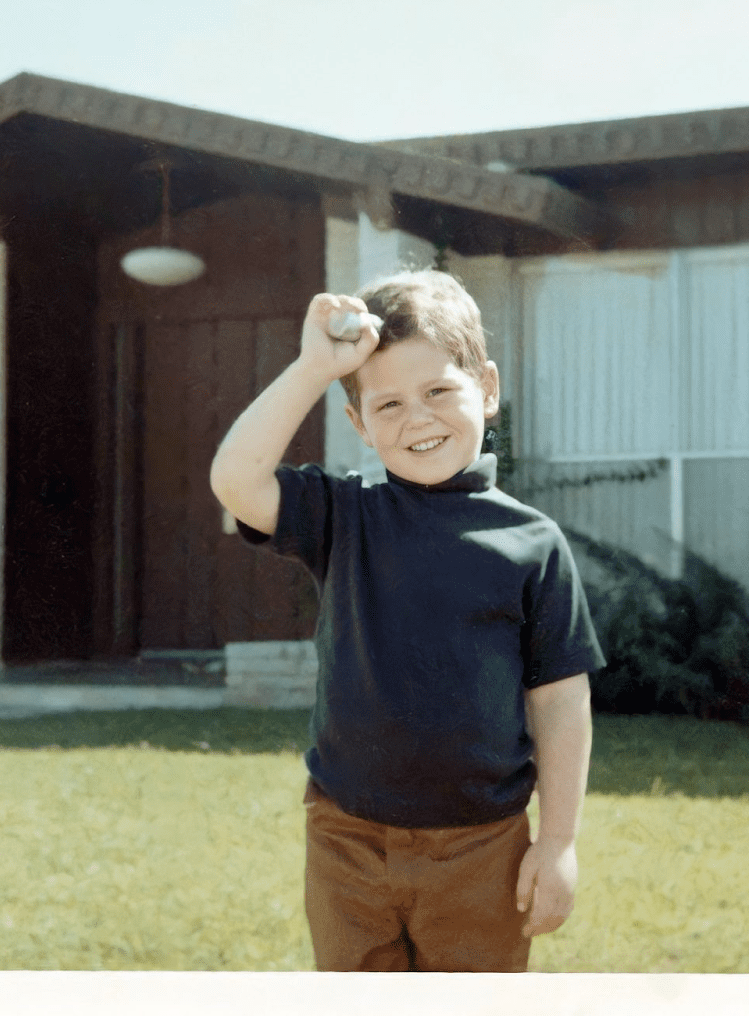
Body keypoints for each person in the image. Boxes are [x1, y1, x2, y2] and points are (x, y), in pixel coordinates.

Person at [209, 268, 604, 973]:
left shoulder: (534, 544)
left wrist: (558, 843)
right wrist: (312, 369)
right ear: (359, 424)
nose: (417, 419)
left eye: (438, 392)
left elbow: (561, 703)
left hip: (483, 847)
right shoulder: (343, 514)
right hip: (347, 841)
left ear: (486, 387)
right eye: (388, 404)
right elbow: (236, 481)